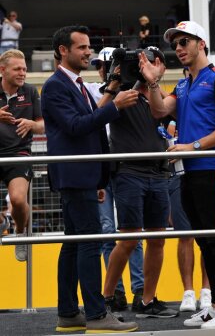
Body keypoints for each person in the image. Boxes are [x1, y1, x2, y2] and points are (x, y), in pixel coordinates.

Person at [139, 20, 215, 328]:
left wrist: (193, 146)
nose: (178, 48)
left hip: (210, 167)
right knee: (203, 239)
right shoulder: (184, 83)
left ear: (201, 43)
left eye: (184, 42)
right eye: (175, 44)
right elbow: (159, 110)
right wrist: (151, 81)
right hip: (188, 170)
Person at [41, 25, 139, 333]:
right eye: (82, 47)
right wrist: (115, 107)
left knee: (73, 244)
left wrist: (111, 90)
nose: (89, 52)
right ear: (63, 51)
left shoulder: (76, 85)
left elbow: (86, 121)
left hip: (83, 174)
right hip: (75, 174)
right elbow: (75, 126)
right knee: (87, 242)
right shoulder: (57, 85)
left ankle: (69, 313)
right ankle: (96, 314)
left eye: (88, 47)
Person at [99, 47, 178, 320]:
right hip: (128, 172)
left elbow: (164, 114)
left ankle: (147, 300)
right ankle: (106, 298)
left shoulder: (164, 97)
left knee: (157, 239)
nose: (145, 66)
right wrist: (114, 84)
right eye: (142, 62)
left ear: (161, 67)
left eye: (152, 62)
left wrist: (152, 82)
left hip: (158, 172)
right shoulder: (122, 92)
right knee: (128, 238)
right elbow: (97, 117)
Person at [86, 48, 146, 313]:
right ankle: (116, 292)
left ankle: (140, 289)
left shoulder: (136, 88)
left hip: (125, 167)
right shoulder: (89, 89)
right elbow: (92, 119)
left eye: (110, 64)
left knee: (131, 232)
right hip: (102, 168)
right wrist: (111, 88)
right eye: (102, 64)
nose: (105, 68)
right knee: (108, 231)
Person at [0, 49, 45, 261]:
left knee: (18, 199)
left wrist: (32, 124)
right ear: (2, 70)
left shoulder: (30, 91)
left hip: (18, 152)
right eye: (17, 69)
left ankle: (19, 232)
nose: (23, 73)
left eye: (25, 69)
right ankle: (3, 221)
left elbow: (43, 126)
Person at [166, 117, 212, 315]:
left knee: (209, 235)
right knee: (185, 235)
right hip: (176, 177)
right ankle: (188, 292)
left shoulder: (204, 119)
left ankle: (207, 290)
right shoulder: (167, 122)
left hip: (206, 172)